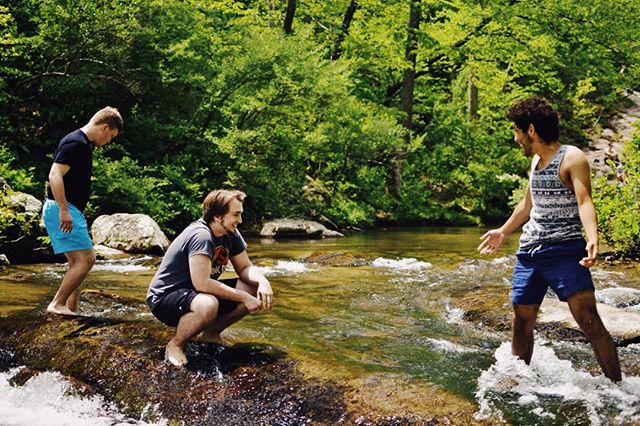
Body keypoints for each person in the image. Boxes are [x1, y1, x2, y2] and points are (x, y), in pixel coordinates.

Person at [477, 97, 621, 382]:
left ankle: (618, 389)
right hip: (530, 253)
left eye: (516, 130)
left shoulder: (572, 158)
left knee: (589, 321)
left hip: (565, 252)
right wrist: (503, 231)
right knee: (521, 323)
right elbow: (527, 205)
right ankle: (520, 386)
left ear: (531, 129)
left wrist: (593, 238)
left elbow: (585, 202)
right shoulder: (534, 161)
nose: (515, 137)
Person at [146, 189, 274, 366]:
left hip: (193, 294)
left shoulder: (231, 234)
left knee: (251, 286)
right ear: (217, 216)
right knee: (209, 304)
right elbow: (202, 283)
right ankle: (176, 344)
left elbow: (244, 267)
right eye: (236, 215)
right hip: (165, 298)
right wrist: (244, 297)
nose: (240, 220)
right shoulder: (201, 235)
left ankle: (211, 334)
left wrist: (263, 282)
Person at [43, 107, 124, 317]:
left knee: (77, 263)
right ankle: (57, 303)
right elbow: (54, 175)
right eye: (111, 137)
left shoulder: (83, 144)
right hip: (63, 208)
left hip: (69, 208)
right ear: (105, 127)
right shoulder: (75, 143)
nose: (109, 142)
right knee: (87, 260)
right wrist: (63, 210)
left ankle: (71, 308)